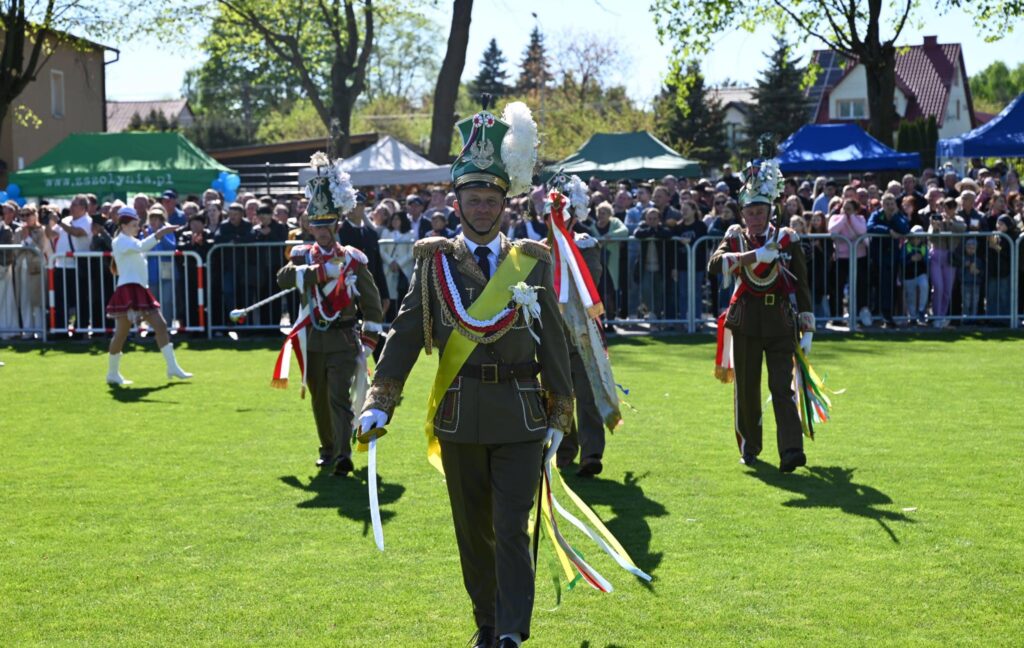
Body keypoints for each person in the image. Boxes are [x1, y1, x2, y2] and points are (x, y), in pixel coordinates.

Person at [360, 101, 573, 648]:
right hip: (459, 416)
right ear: (455, 203)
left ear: (506, 203)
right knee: (472, 535)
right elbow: (406, 334)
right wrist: (380, 399)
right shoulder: (435, 262)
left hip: (523, 415)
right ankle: (486, 621)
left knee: (510, 527)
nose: (482, 208)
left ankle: (510, 631)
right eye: (473, 199)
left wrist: (561, 409)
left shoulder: (530, 259)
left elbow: (555, 340)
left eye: (491, 200)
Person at [274, 154, 384, 474]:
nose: (322, 231)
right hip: (312, 338)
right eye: (317, 225)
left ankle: (343, 453)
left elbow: (373, 304)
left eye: (327, 225)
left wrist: (370, 342)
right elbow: (282, 277)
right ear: (310, 226)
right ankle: (327, 447)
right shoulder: (301, 255)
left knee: (339, 396)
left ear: (337, 224)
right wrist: (317, 274)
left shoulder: (353, 258)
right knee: (319, 398)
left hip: (344, 338)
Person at [708, 155, 814, 473]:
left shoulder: (786, 238)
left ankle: (792, 450)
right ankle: (750, 446)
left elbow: (803, 284)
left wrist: (807, 326)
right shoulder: (735, 237)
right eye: (750, 212)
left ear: (771, 211)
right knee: (748, 389)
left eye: (760, 211)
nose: (755, 217)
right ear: (742, 214)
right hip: (746, 322)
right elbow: (715, 265)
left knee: (782, 388)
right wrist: (754, 254)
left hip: (781, 322)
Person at [104, 207, 192, 386]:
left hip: (140, 289)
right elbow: (142, 247)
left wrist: (155, 236)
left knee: (160, 325)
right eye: (134, 225)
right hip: (128, 290)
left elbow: (141, 249)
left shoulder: (130, 240)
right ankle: (112, 373)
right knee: (121, 334)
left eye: (138, 225)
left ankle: (172, 367)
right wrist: (160, 233)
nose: (138, 228)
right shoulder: (120, 241)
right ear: (123, 225)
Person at [866, 192, 911, 327]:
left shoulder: (898, 215)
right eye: (887, 203)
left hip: (891, 257)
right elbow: (870, 227)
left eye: (892, 203)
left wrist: (895, 216)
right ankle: (875, 314)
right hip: (876, 256)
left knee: (888, 286)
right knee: (875, 286)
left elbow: (904, 228)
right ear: (882, 204)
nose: (889, 206)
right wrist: (888, 231)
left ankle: (887, 316)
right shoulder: (876, 214)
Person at [828, 198, 869, 326]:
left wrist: (852, 217)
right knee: (837, 287)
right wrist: (844, 218)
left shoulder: (860, 219)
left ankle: (858, 315)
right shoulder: (836, 218)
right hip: (841, 258)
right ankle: (837, 316)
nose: (846, 210)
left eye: (849, 208)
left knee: (860, 286)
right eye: (844, 208)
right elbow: (833, 230)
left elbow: (861, 231)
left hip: (859, 257)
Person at [14, 205, 51, 337]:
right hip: (21, 268)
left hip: (36, 269)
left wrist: (28, 238)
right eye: (22, 215)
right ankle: (28, 331)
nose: (24, 218)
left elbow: (41, 249)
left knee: (37, 300)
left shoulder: (41, 231)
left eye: (27, 214)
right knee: (24, 300)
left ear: (35, 215)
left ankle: (40, 331)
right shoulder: (18, 231)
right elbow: (15, 249)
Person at [928, 197, 966, 328]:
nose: (947, 210)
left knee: (947, 290)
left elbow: (962, 228)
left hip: (950, 257)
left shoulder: (958, 220)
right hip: (936, 255)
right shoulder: (935, 219)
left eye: (951, 207)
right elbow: (931, 237)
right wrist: (935, 227)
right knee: (938, 287)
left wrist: (949, 222)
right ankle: (936, 316)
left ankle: (942, 316)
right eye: (945, 207)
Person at [379, 211, 415, 322]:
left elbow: (411, 252)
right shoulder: (386, 232)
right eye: (393, 219)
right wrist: (391, 262)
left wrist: (399, 263)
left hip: (403, 270)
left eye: (397, 219)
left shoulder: (410, 233)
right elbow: (382, 250)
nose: (395, 221)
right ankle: (388, 321)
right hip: (389, 269)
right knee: (389, 296)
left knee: (402, 296)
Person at [902, 226, 929, 325]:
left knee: (924, 285)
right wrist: (911, 260)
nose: (916, 239)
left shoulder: (924, 247)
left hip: (920, 274)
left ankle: (921, 310)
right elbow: (902, 260)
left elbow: (927, 261)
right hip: (908, 275)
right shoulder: (906, 246)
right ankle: (913, 317)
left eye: (919, 237)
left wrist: (921, 258)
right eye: (914, 237)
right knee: (911, 297)